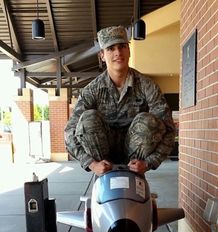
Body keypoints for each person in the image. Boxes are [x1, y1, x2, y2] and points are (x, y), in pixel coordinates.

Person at [65, 25, 175, 176]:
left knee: (149, 121)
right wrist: (92, 164)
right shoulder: (92, 90)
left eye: (122, 46)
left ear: (129, 50)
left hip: (136, 160)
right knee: (88, 118)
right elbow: (70, 132)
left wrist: (149, 163)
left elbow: (169, 130)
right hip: (104, 162)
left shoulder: (146, 85)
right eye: (111, 48)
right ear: (102, 55)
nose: (118, 52)